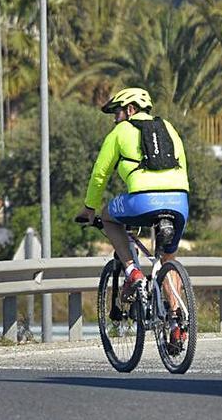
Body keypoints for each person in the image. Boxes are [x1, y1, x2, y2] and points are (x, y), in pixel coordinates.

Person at [75, 87, 190, 346]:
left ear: (130, 110)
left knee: (108, 217)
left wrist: (89, 208)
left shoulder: (120, 132)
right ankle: (176, 322)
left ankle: (132, 271)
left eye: (117, 112)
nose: (115, 118)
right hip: (180, 202)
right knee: (167, 259)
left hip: (142, 201)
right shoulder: (169, 128)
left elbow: (100, 173)